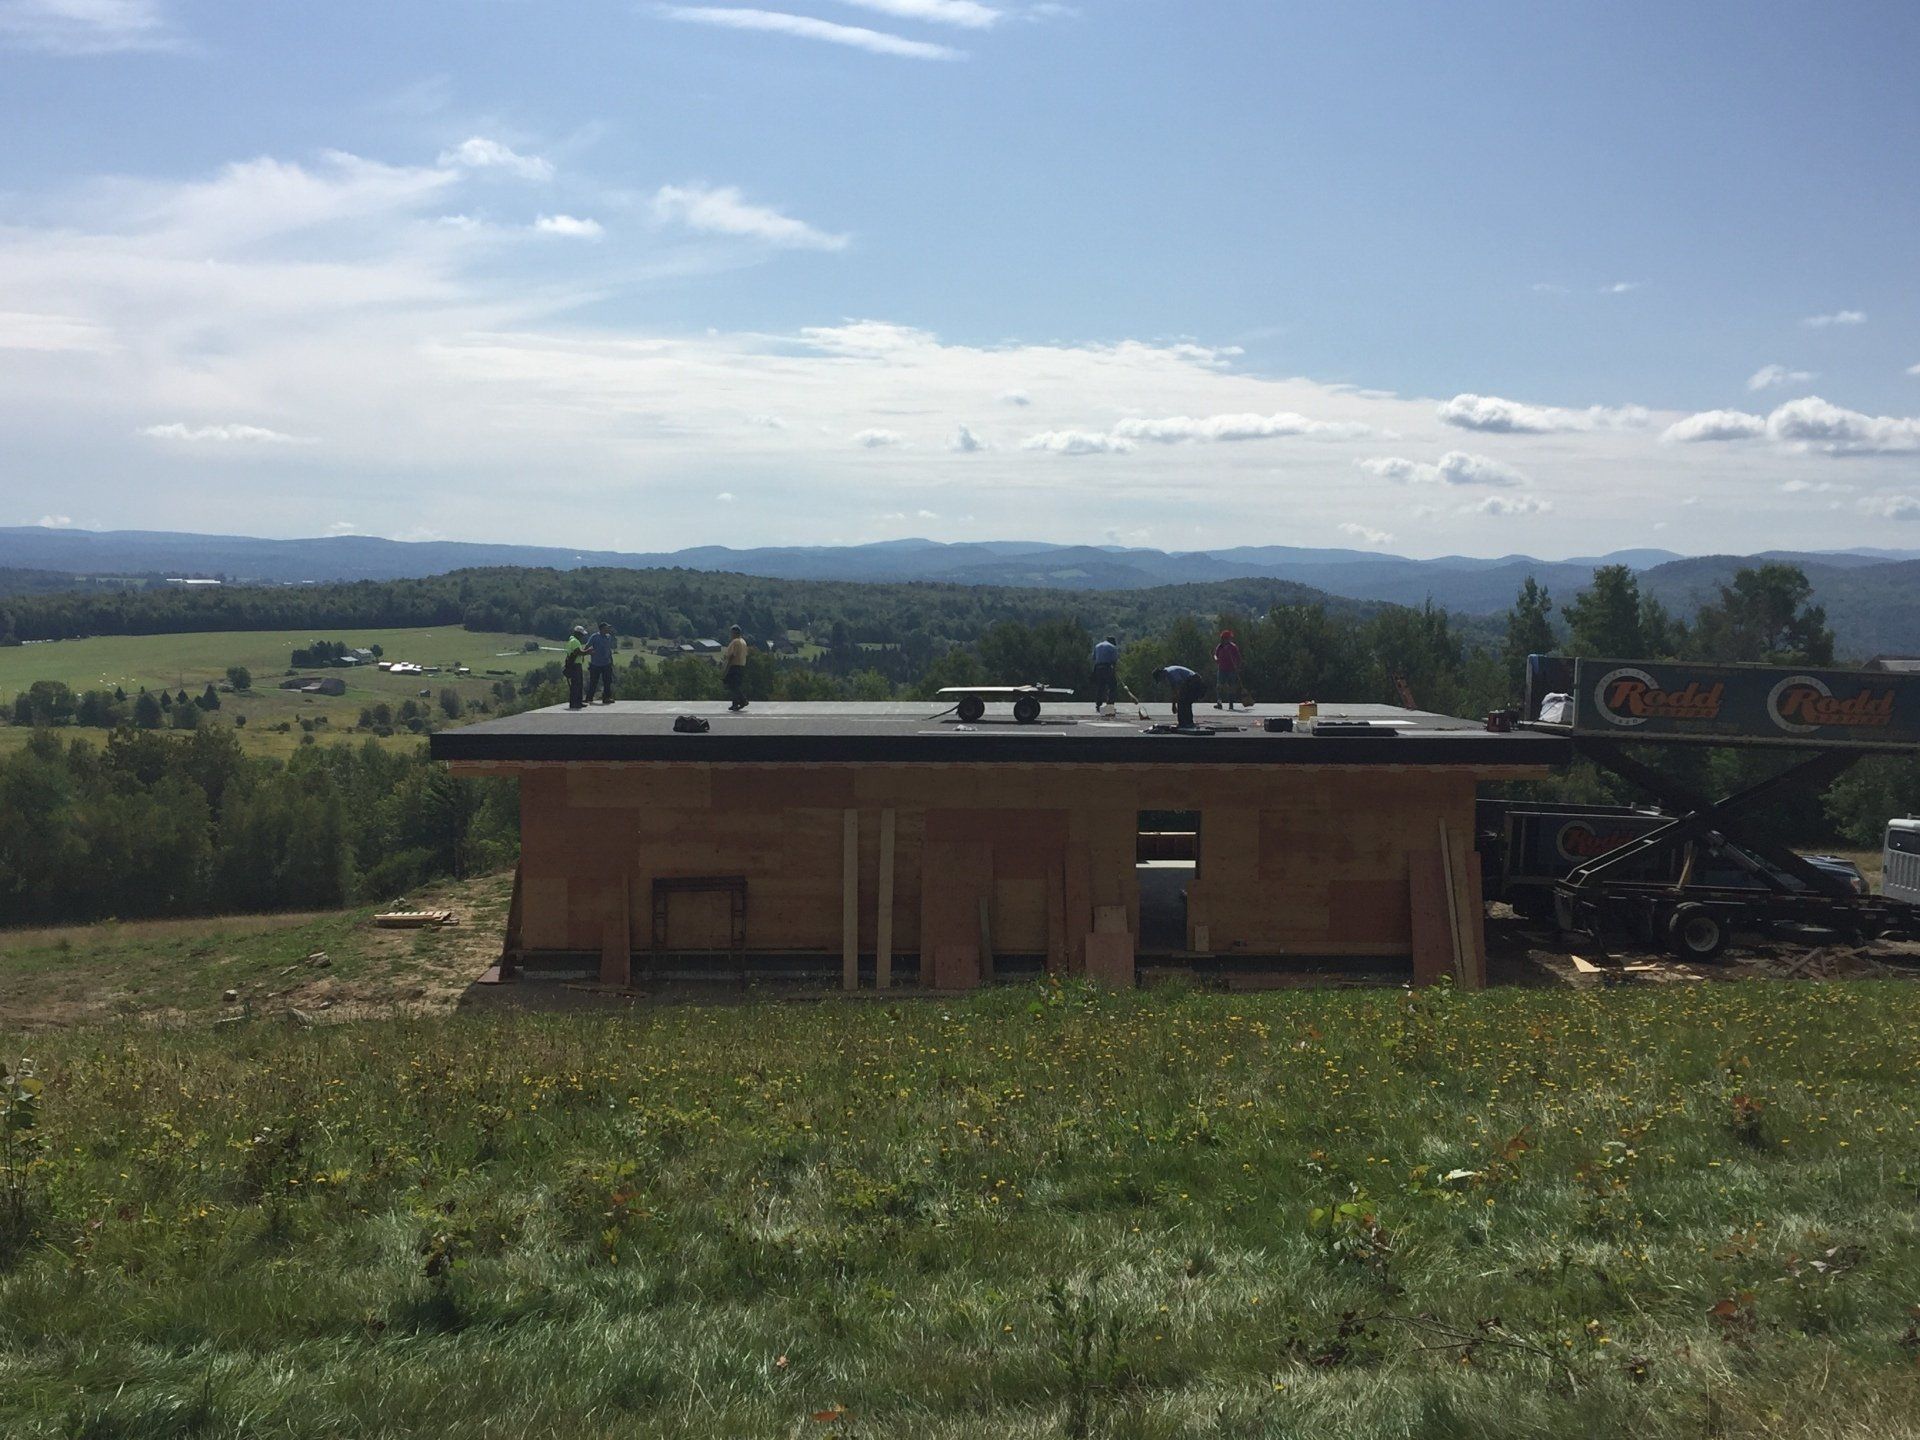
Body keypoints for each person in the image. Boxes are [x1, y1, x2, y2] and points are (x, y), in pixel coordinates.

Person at [1152, 664, 1208, 729]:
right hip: (1192, 681)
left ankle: (1186, 723)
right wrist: (1173, 705)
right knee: (1183, 701)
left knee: (1184, 701)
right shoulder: (1169, 674)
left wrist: (1178, 700)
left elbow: (1180, 686)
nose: (1162, 680)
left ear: (1161, 674)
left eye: (1160, 679)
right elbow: (1174, 691)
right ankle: (1185, 722)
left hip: (1194, 680)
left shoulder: (1170, 673)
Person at [585, 621, 617, 705]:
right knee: (593, 681)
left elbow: (608, 649)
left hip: (606, 663)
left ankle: (606, 698)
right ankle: (589, 698)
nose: (608, 630)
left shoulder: (608, 637)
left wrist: (611, 660)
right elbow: (587, 646)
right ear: (602, 629)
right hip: (595, 663)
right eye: (607, 628)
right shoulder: (595, 636)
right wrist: (585, 654)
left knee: (607, 681)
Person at [1212, 629, 1244, 709]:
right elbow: (1216, 654)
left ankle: (1231, 704)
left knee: (1231, 687)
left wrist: (1238, 666)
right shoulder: (1220, 646)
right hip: (1222, 669)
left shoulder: (1233, 647)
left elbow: (1238, 657)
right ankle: (1219, 702)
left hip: (1231, 669)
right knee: (1219, 686)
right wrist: (1216, 659)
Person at [722, 625, 750, 711]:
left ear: (734, 633)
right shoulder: (743, 642)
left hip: (734, 666)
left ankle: (742, 700)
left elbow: (731, 655)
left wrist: (726, 667)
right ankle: (735, 703)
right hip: (741, 665)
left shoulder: (735, 642)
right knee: (736, 685)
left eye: (731, 632)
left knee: (733, 685)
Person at [1090, 635, 1119, 711]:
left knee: (1100, 686)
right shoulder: (1113, 647)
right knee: (1113, 686)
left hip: (1098, 668)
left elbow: (1093, 658)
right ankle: (1110, 704)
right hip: (1107, 668)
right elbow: (1114, 660)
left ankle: (1098, 705)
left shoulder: (1097, 646)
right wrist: (1114, 671)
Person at [563, 625, 589, 710]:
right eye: (581, 635)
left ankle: (578, 701)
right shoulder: (574, 641)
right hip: (575, 666)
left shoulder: (574, 640)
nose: (582, 636)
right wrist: (588, 652)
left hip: (575, 665)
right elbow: (578, 652)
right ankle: (575, 703)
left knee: (579, 684)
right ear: (578, 634)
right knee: (576, 684)